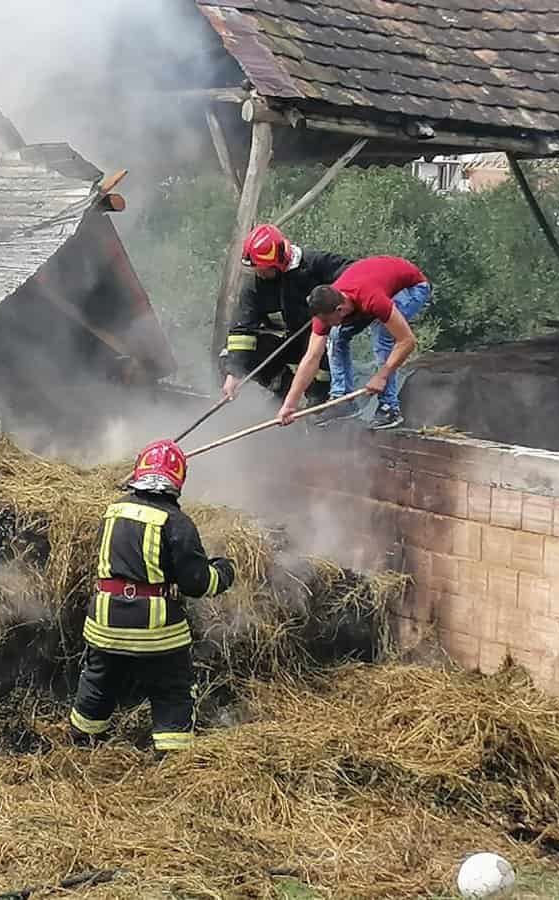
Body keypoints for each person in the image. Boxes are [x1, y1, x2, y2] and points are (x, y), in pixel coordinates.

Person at [69, 439, 236, 754]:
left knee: (98, 679)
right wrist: (224, 572)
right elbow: (196, 584)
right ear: (178, 480)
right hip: (155, 632)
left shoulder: (113, 511)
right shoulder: (177, 522)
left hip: (104, 623)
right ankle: (172, 753)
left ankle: (83, 739)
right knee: (171, 689)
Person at [278, 256, 432, 431]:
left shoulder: (372, 298)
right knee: (335, 336)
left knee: (384, 334)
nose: (326, 325)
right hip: (372, 289)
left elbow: (407, 341)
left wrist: (381, 376)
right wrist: (290, 404)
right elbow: (312, 357)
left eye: (329, 321)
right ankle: (343, 400)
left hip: (411, 287)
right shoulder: (325, 310)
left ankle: (389, 408)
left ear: (340, 310)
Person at [222, 223, 354, 404]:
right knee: (229, 355)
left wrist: (332, 303)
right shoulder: (255, 286)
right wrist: (234, 373)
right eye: (256, 269)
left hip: (318, 340)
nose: (259, 273)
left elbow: (355, 274)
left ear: (280, 263)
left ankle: (318, 403)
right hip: (285, 342)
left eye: (264, 269)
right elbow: (242, 329)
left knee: (322, 366)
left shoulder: (314, 264)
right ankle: (282, 389)